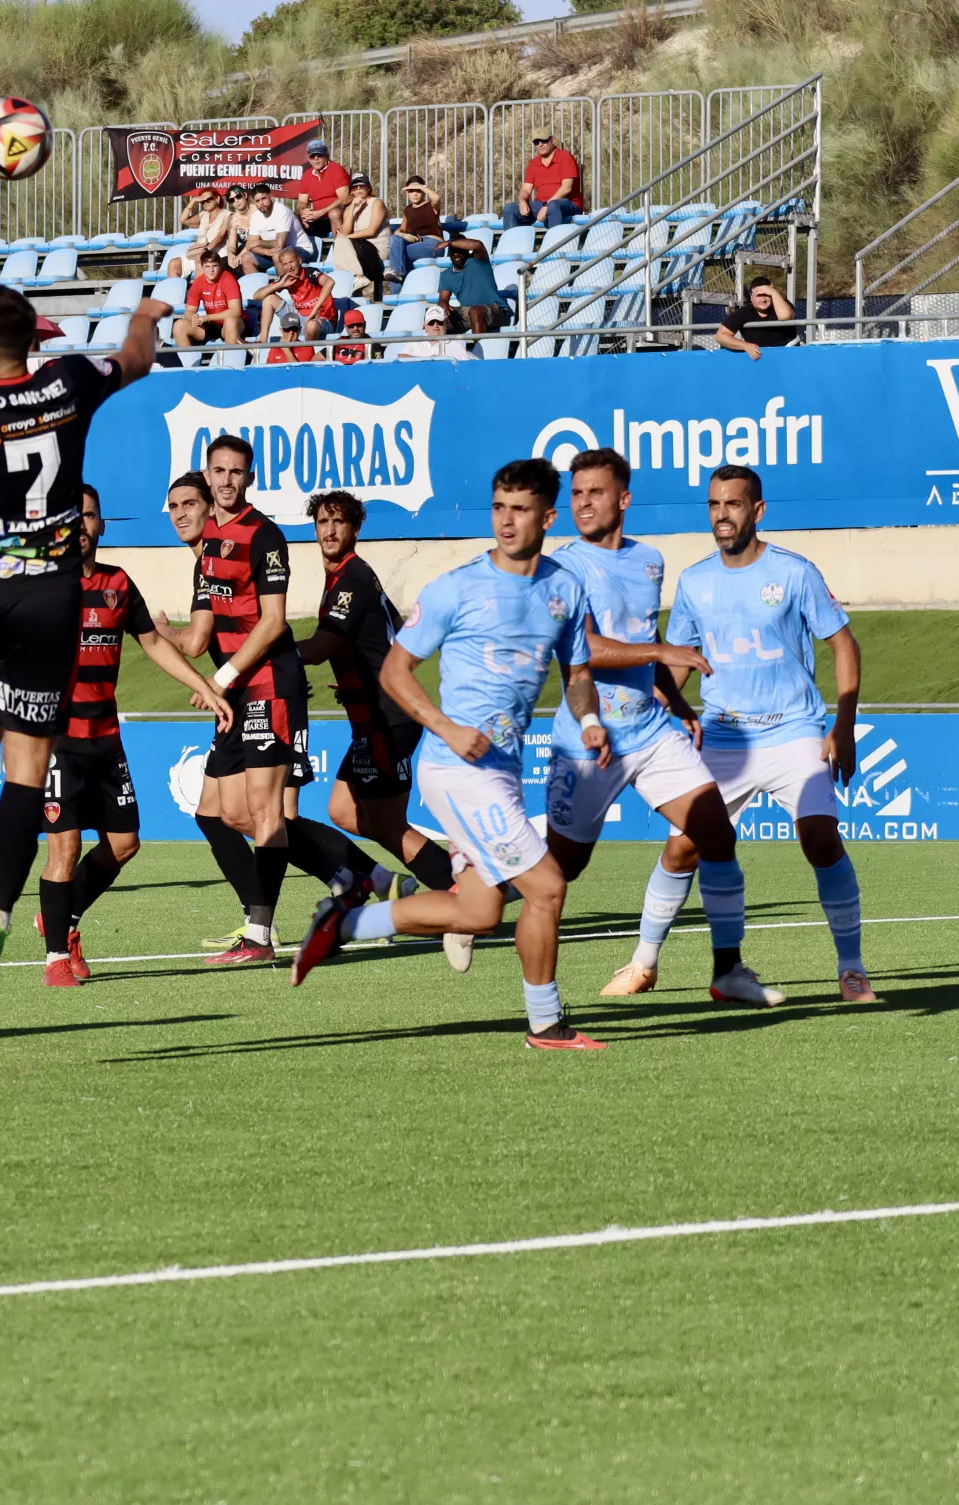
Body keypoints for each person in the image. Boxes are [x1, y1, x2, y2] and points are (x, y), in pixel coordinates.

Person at [290, 458, 611, 1052]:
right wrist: (446, 726)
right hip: (454, 764)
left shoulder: (565, 587)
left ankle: (347, 925)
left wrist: (589, 718)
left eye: (520, 509)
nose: (507, 521)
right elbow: (395, 670)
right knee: (546, 887)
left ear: (547, 515)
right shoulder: (456, 587)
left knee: (478, 911)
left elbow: (579, 671)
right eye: (498, 508)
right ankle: (546, 1024)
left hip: (503, 768)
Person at [0, 281, 169, 983]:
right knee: (27, 764)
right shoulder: (70, 382)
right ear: (36, 337)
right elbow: (135, 357)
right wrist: (145, 315)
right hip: (48, 601)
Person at [536, 448, 771, 1003]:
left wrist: (677, 703)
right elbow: (586, 648)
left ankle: (728, 970)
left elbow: (638, 648)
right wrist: (665, 649)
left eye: (596, 492)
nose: (584, 503)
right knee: (558, 870)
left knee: (714, 834)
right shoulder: (563, 566)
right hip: (586, 739)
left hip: (647, 729)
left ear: (624, 499)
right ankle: (470, 898)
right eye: (576, 493)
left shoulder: (650, 561)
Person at [637, 464, 876, 1005]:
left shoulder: (795, 573)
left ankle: (852, 969)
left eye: (734, 504)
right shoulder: (694, 581)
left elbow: (844, 645)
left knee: (820, 838)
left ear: (757, 511)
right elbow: (677, 665)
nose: (723, 515)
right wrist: (650, 710)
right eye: (715, 505)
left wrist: (844, 725)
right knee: (682, 849)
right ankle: (643, 961)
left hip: (794, 732)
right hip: (724, 739)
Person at [173, 436, 383, 965]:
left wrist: (220, 678)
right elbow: (198, 634)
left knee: (267, 813)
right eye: (217, 471)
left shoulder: (264, 536)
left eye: (236, 472)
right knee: (217, 812)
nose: (225, 480)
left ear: (248, 478)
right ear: (208, 473)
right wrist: (151, 633)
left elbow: (274, 624)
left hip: (269, 685)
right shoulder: (208, 542)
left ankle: (259, 936)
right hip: (235, 690)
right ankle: (356, 877)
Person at [37, 486, 234, 986]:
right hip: (57, 744)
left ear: (100, 525)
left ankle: (62, 917)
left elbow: (155, 644)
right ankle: (57, 957)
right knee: (63, 852)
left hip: (106, 741)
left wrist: (206, 687)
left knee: (124, 845)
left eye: (88, 516)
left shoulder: (118, 585)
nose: (80, 526)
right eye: (70, 518)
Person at [293, 490, 459, 920]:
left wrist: (264, 658)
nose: (329, 530)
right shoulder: (352, 578)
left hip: (389, 720)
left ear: (356, 529)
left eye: (339, 522)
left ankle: (462, 892)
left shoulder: (352, 578)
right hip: (375, 718)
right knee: (342, 810)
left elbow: (321, 644)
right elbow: (398, 631)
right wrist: (361, 674)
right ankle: (395, 882)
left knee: (386, 824)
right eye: (322, 522)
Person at [256, 246, 338, 341]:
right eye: (285, 264)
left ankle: (309, 352)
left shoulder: (311, 272)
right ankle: (262, 341)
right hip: (299, 318)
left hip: (321, 319)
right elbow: (257, 296)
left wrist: (315, 310)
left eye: (291, 262)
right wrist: (280, 284)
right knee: (268, 298)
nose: (289, 267)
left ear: (299, 260)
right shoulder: (285, 278)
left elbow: (330, 282)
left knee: (311, 326)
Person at [328, 173, 389, 301]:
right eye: (355, 187)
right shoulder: (351, 208)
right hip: (359, 249)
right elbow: (345, 231)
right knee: (340, 243)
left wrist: (349, 236)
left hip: (376, 248)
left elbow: (371, 231)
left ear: (368, 188)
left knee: (342, 242)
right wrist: (351, 209)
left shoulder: (377, 203)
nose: (359, 189)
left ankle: (355, 279)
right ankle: (354, 288)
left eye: (362, 185)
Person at [504, 133, 584, 231]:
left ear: (553, 140)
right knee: (510, 209)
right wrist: (522, 201)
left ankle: (555, 244)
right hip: (542, 204)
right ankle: (513, 245)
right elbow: (526, 189)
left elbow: (566, 188)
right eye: (536, 142)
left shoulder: (565, 157)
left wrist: (547, 206)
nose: (540, 144)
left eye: (544, 140)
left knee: (553, 205)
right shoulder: (534, 163)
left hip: (568, 204)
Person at [172, 247, 246, 350]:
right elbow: (189, 311)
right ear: (202, 267)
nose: (211, 270)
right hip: (211, 324)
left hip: (232, 324)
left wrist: (207, 318)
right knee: (179, 325)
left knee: (231, 322)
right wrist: (192, 318)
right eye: (207, 266)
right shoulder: (198, 282)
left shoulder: (228, 279)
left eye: (214, 266)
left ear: (220, 266)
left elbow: (236, 312)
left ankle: (230, 362)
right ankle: (187, 363)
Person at [437, 236, 509, 335]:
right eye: (453, 251)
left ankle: (479, 349)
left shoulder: (478, 261)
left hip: (495, 310)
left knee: (475, 311)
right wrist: (442, 303)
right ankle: (441, 350)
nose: (456, 254)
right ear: (449, 254)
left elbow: (477, 245)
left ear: (467, 251)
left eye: (460, 250)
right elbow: (443, 299)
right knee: (435, 316)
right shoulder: (446, 275)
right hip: (468, 311)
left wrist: (450, 242)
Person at [715, 276, 800, 358]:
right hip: (759, 361)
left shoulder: (782, 304)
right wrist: (745, 346)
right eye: (759, 295)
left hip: (789, 357)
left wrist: (773, 291)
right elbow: (721, 336)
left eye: (766, 294)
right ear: (751, 297)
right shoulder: (744, 312)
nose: (763, 299)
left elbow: (785, 316)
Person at [168, 186, 243, 277]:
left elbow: (220, 236)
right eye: (202, 201)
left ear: (217, 199)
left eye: (208, 199)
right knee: (174, 264)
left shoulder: (227, 216)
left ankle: (198, 291)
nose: (205, 202)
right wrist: (193, 201)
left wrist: (205, 251)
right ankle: (176, 291)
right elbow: (183, 220)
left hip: (218, 253)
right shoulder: (203, 215)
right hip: (200, 252)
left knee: (202, 263)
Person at [388, 175, 448, 276]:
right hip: (414, 243)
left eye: (418, 191)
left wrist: (422, 187)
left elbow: (436, 198)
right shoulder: (407, 210)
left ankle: (397, 273)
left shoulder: (431, 205)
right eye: (411, 191)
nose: (415, 194)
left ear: (423, 192)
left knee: (397, 254)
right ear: (408, 193)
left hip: (433, 244)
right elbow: (401, 229)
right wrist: (403, 235)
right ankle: (397, 282)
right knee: (395, 240)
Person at [292, 137, 348, 243]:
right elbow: (301, 202)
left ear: (327, 155)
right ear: (308, 159)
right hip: (318, 218)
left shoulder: (336, 170)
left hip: (338, 215)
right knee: (292, 217)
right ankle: (299, 253)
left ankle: (342, 249)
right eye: (313, 156)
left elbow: (343, 198)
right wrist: (303, 211)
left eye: (319, 155)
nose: (316, 158)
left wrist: (321, 212)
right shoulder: (307, 175)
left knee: (334, 213)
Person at [239, 186, 302, 274]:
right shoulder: (255, 216)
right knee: (246, 259)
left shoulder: (282, 211)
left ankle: (284, 286)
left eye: (263, 198)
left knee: (278, 255)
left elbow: (280, 244)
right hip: (273, 251)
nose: (261, 203)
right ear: (254, 202)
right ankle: (258, 288)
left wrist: (259, 242)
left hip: (300, 248)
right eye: (257, 201)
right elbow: (251, 245)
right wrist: (266, 252)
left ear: (270, 196)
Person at [394, 305, 473, 360]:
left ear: (447, 325)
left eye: (439, 322)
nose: (435, 325)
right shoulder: (414, 342)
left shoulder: (456, 345)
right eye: (431, 322)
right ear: (425, 326)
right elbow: (401, 357)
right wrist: (430, 360)